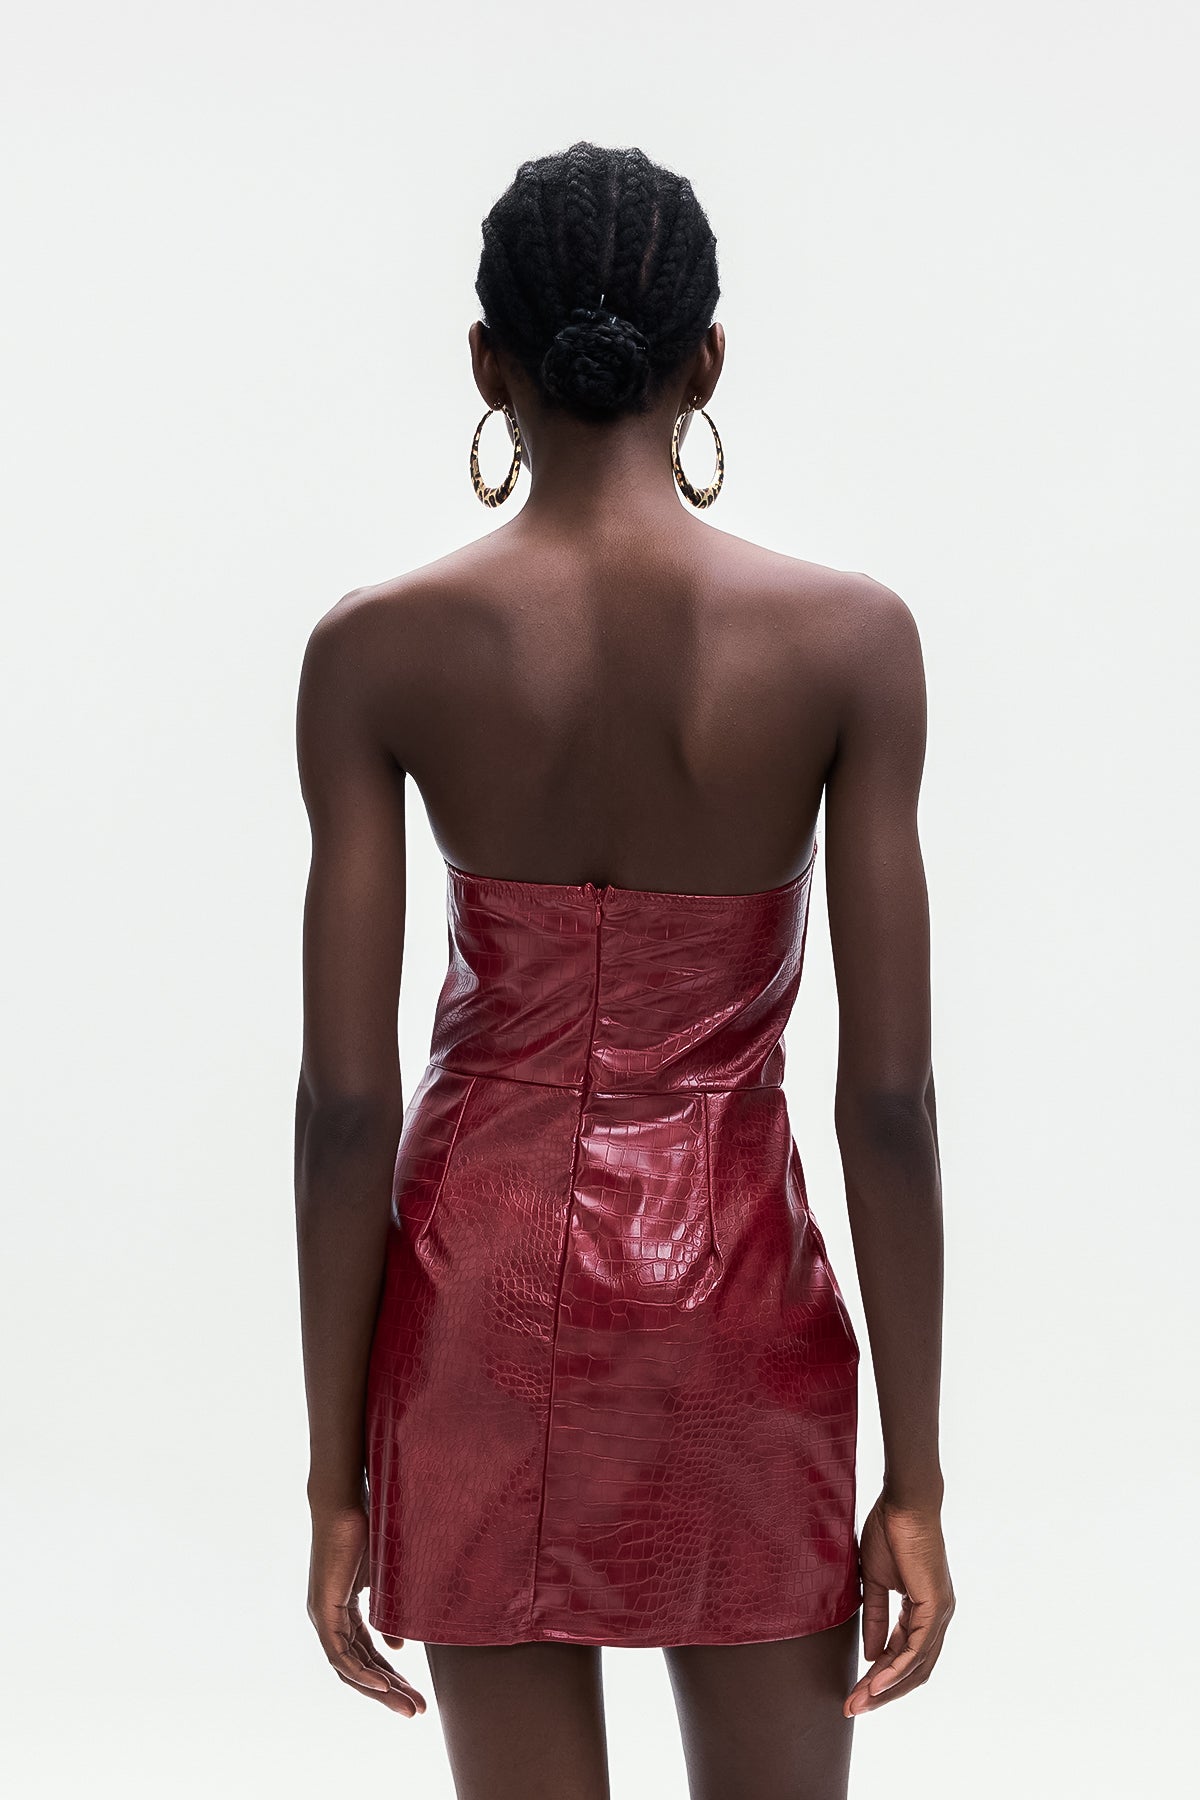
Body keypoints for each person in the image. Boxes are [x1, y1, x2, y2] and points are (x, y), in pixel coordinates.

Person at [294, 140, 954, 1800]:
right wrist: (920, 1478)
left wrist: (334, 1479)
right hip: (737, 1299)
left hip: (473, 1298)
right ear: (707, 360)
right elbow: (887, 1103)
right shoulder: (851, 642)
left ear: (488, 364)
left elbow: (344, 1109)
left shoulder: (376, 650)